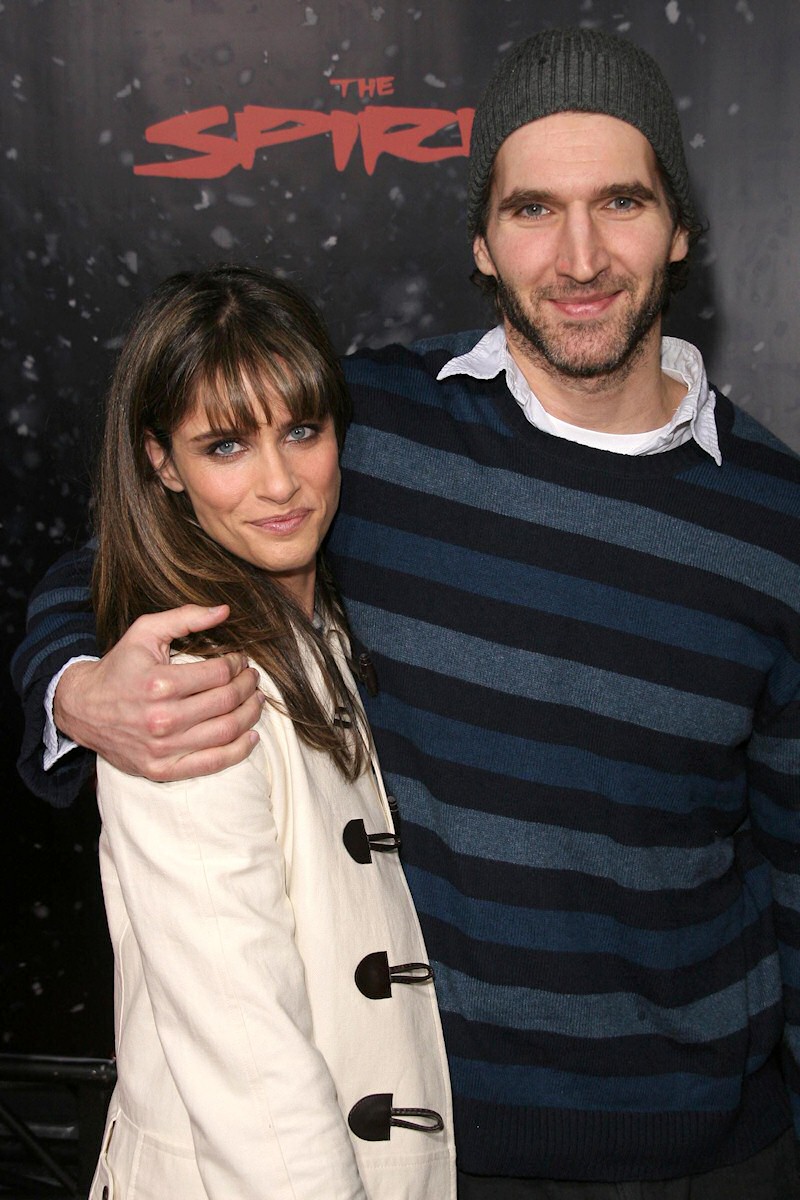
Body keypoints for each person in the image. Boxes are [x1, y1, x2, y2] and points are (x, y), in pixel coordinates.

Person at [13, 26, 800, 1199]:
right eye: (533, 210)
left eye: (620, 203)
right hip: (429, 1151)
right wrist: (77, 690)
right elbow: (130, 551)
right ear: (482, 244)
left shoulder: (773, 516)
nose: (578, 257)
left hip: (716, 1153)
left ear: (679, 226)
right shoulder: (368, 430)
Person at [79, 264, 456, 1200]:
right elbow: (248, 1058)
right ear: (162, 462)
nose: (281, 483)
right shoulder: (181, 699)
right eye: (226, 446)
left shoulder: (324, 625)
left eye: (302, 430)